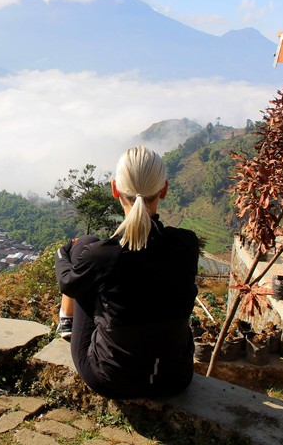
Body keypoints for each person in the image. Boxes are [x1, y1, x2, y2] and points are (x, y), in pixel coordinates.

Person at [55, 145, 199, 399]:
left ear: (115, 189)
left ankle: (66, 321)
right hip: (175, 378)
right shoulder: (186, 244)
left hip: (112, 380)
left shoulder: (103, 256)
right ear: (164, 190)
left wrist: (65, 253)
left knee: (84, 245)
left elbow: (68, 284)